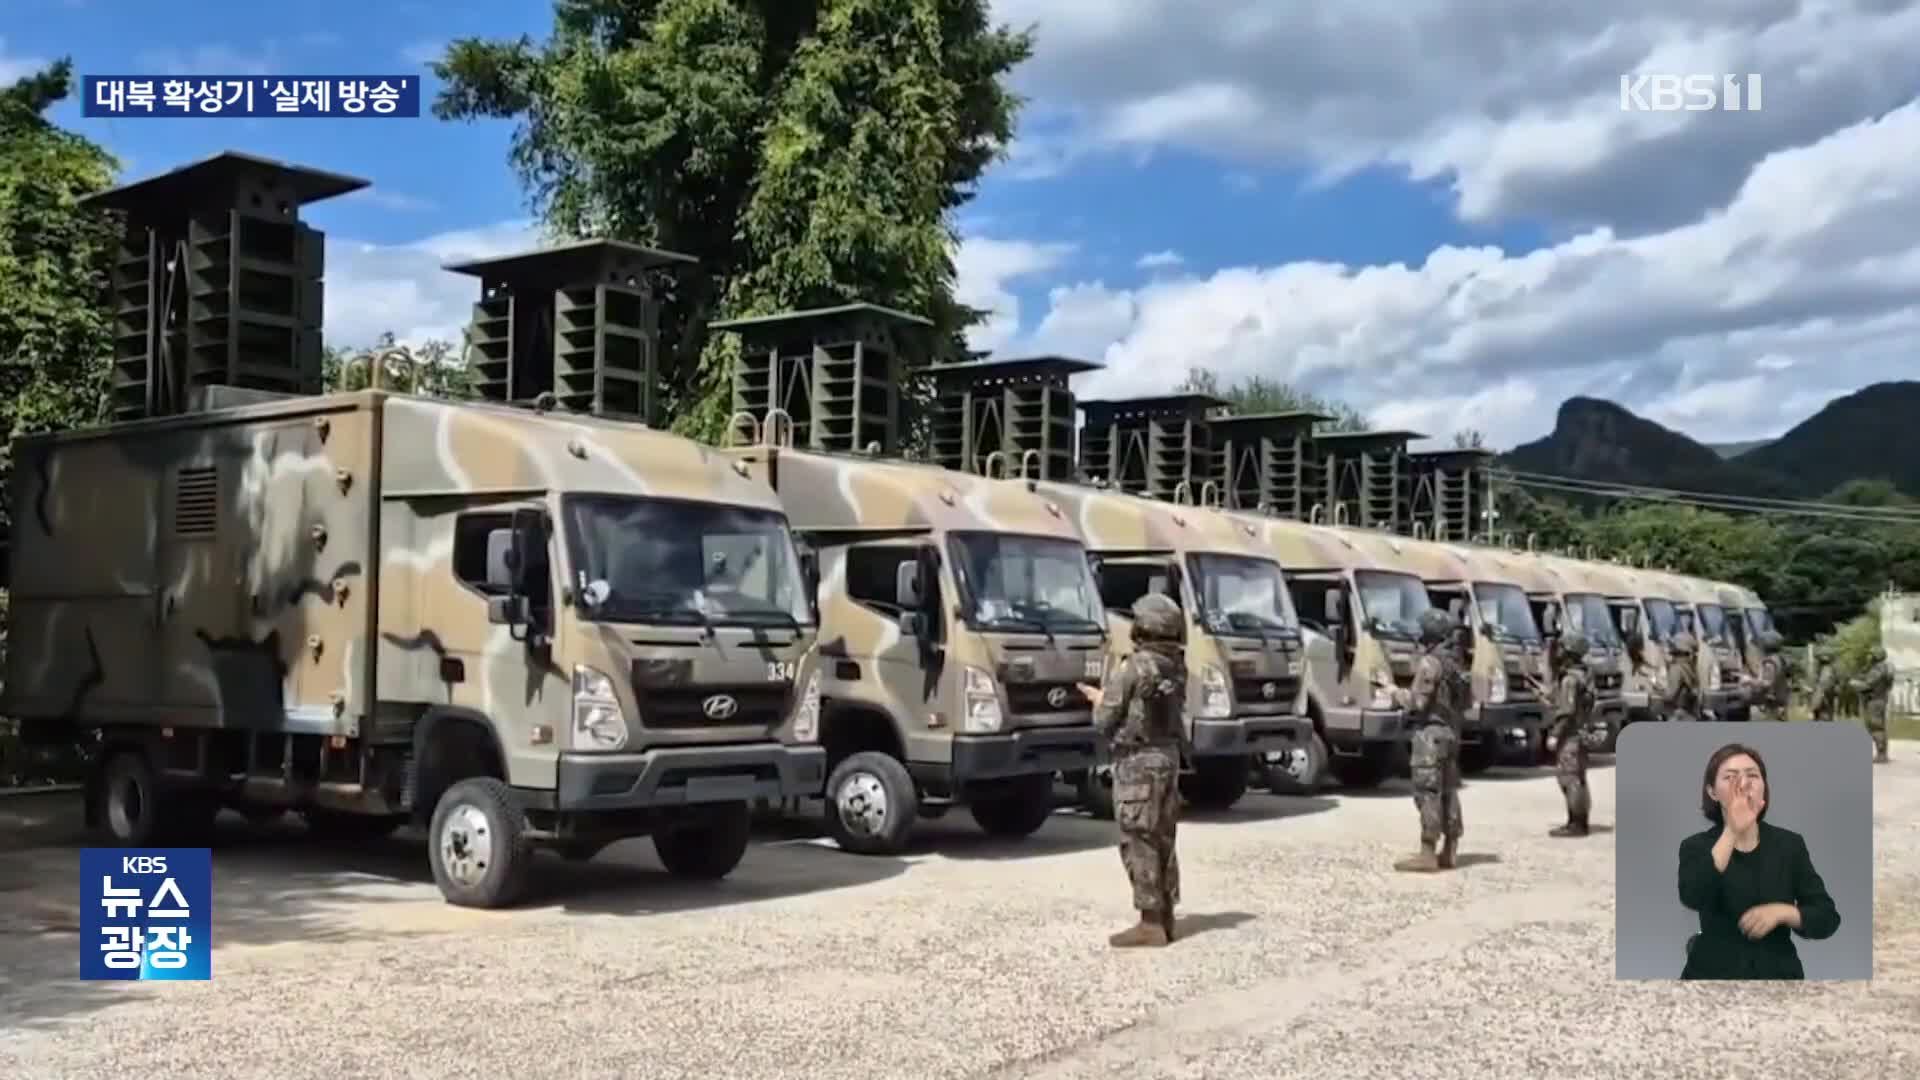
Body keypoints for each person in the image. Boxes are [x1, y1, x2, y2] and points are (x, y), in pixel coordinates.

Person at [1078, 592, 1187, 948]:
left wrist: (1099, 698)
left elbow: (1104, 720)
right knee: (1163, 837)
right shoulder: (1177, 666)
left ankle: (1150, 922)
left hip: (1138, 764)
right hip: (1169, 759)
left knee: (1138, 839)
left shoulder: (1135, 667)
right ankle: (1166, 914)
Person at [1677, 742, 1841, 979]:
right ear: (1712, 792)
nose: (1743, 785)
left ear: (1764, 787)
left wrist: (1783, 912)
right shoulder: (1696, 846)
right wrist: (1732, 831)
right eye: (1730, 778)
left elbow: (1827, 917)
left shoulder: (1789, 845)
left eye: (1752, 776)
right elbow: (1693, 895)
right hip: (1712, 975)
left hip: (1778, 975)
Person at [1380, 608, 1464, 872]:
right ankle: (1450, 850)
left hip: (1430, 734)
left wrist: (1393, 692)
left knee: (1427, 793)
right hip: (1450, 733)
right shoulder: (1455, 664)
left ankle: (1427, 853)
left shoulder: (1431, 663)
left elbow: (1417, 703)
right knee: (1449, 792)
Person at [1546, 630, 1594, 838]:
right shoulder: (1585, 675)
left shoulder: (1569, 680)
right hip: (1581, 732)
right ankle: (1580, 821)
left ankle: (1576, 824)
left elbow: (1567, 712)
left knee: (1569, 779)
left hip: (1570, 735)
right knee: (1579, 778)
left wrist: (1555, 734)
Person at [1853, 645, 1893, 764]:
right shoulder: (1879, 668)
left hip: (1875, 701)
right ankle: (1882, 753)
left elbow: (1867, 685)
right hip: (1877, 700)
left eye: (1871, 654)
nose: (1869, 656)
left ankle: (1881, 754)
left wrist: (1854, 684)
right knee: (1876, 726)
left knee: (1876, 727)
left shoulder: (1878, 670)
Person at [1751, 631, 1789, 723]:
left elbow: (1767, 683)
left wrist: (1749, 681)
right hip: (1780, 702)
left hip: (1770, 705)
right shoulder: (1781, 659)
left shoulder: (1769, 662)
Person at [1664, 630, 1700, 722]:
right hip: (1691, 716)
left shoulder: (1677, 668)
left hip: (1679, 716)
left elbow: (1669, 696)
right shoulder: (1689, 667)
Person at [1809, 647, 1837, 723]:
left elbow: (1822, 688)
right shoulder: (1829, 670)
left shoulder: (1826, 671)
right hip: (1825, 702)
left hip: (1823, 701)